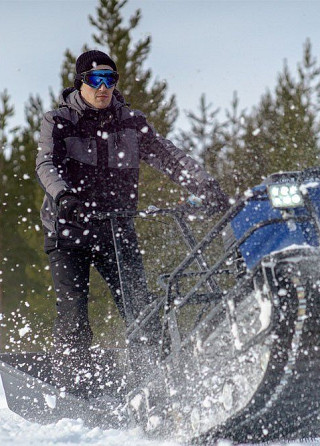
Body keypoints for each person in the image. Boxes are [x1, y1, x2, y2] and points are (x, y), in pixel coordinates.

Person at [36, 49, 229, 397]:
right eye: (96, 79)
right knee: (74, 316)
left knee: (142, 311)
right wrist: (65, 198)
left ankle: (154, 387)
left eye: (111, 79)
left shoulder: (130, 122)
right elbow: (46, 165)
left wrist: (206, 186)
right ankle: (74, 392)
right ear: (81, 82)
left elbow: (170, 157)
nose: (104, 87)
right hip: (70, 228)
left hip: (115, 228)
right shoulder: (60, 121)